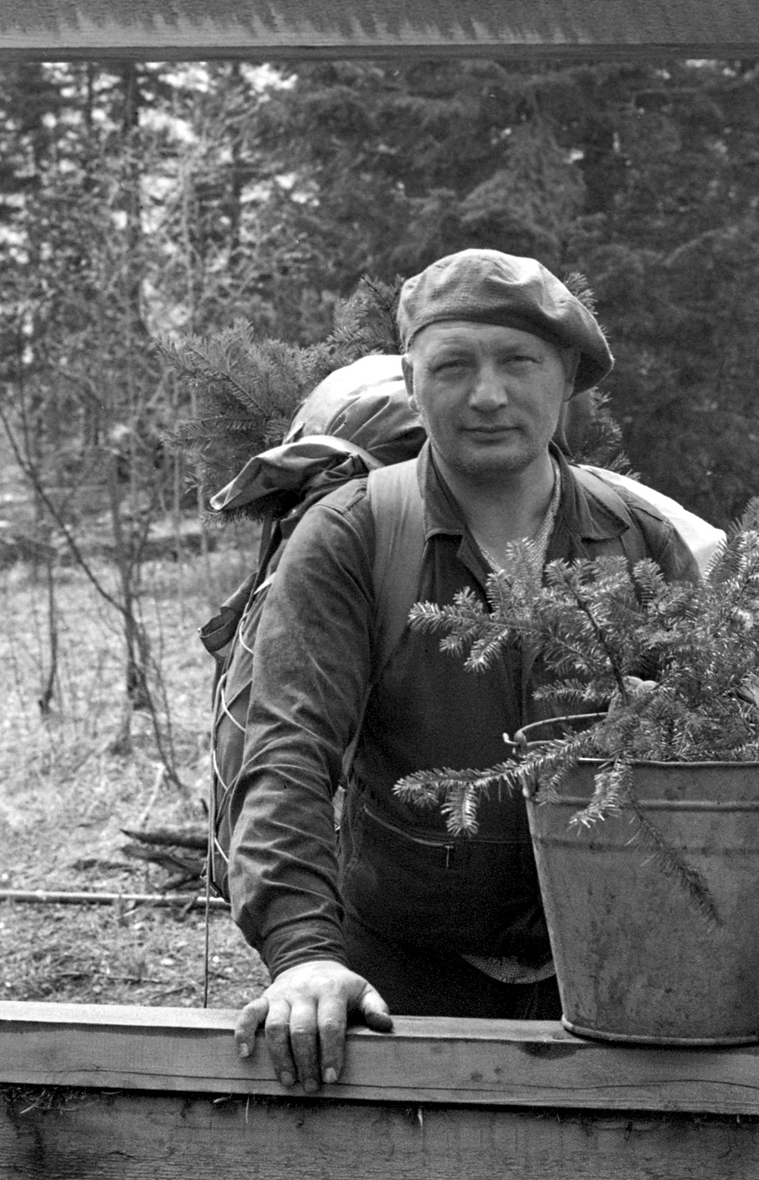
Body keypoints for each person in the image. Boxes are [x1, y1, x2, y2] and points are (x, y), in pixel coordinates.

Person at [228, 249, 699, 1091]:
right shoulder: (353, 537)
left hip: (616, 972)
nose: (487, 395)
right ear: (413, 383)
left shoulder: (639, 541)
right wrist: (303, 955)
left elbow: (717, 762)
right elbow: (287, 751)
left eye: (519, 362)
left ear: (566, 379)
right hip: (397, 985)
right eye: (453, 366)